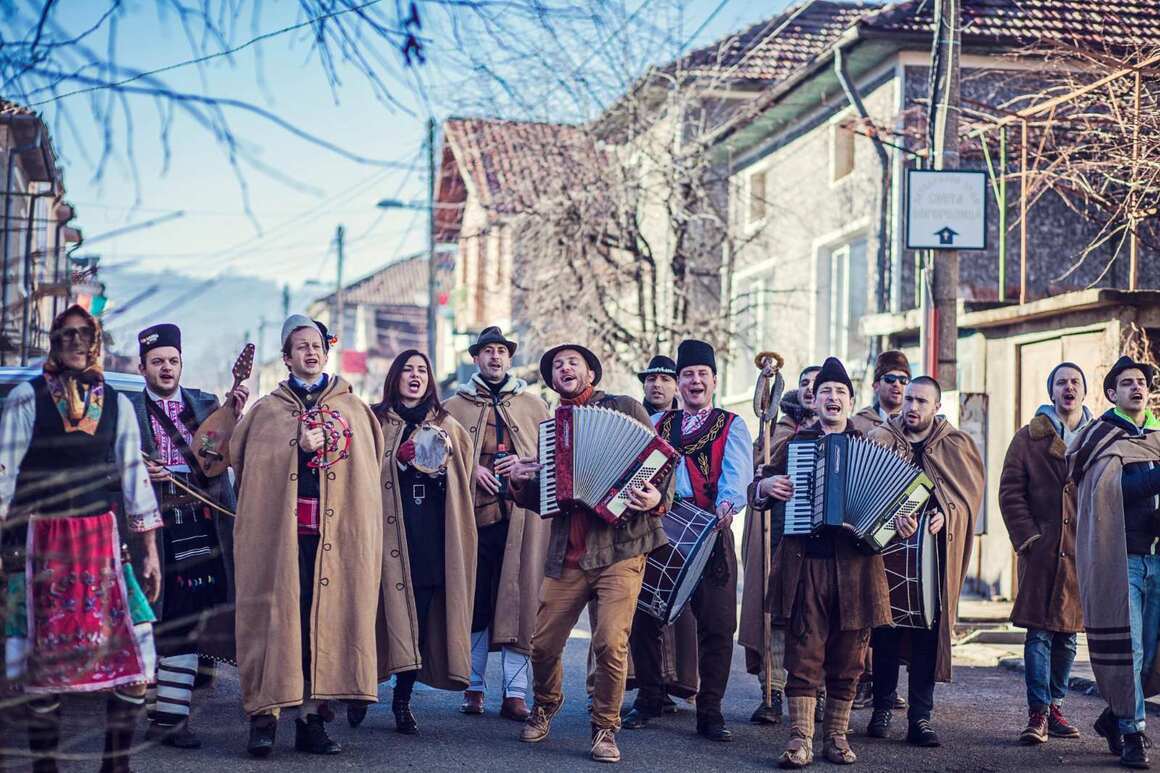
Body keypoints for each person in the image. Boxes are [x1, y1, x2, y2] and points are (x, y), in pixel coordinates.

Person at [0, 304, 163, 773]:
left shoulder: (115, 403)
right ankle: (45, 766)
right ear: (54, 342)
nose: (75, 342)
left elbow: (135, 479)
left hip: (102, 545)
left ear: (96, 343)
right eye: (65, 334)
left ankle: (116, 764)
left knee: (139, 644)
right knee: (38, 663)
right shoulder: (27, 400)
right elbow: (4, 477)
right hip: (41, 546)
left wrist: (149, 550)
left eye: (83, 334)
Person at [230, 314, 397, 757]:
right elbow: (245, 470)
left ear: (327, 351)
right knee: (274, 620)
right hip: (279, 542)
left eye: (317, 344)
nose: (310, 351)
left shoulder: (354, 410)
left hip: (334, 542)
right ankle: (263, 718)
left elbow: (368, 471)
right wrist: (295, 446)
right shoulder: (266, 412)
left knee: (321, 624)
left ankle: (311, 720)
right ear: (286, 358)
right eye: (300, 346)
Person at [508, 343, 670, 764]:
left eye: (572, 362)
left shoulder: (626, 407)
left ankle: (604, 728)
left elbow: (662, 465)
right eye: (557, 365)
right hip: (569, 553)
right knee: (541, 644)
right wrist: (524, 480)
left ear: (591, 373)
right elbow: (545, 498)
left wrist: (655, 498)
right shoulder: (551, 426)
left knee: (610, 643)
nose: (564, 368)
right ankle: (546, 704)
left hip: (621, 549)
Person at [752, 357, 890, 768]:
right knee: (804, 652)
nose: (832, 398)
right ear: (815, 401)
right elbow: (756, 491)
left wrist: (903, 521)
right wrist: (765, 484)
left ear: (850, 401)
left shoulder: (872, 444)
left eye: (840, 393)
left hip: (857, 568)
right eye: (826, 391)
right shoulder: (794, 445)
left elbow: (896, 506)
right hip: (806, 564)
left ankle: (836, 737)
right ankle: (800, 739)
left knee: (850, 657)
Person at [623, 340, 751, 742]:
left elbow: (736, 475)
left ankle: (710, 711)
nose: (695, 381)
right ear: (679, 383)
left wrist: (726, 506)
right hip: (660, 530)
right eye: (688, 375)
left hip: (711, 534)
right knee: (645, 617)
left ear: (714, 380)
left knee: (717, 624)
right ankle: (649, 696)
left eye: (702, 374)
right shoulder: (658, 423)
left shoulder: (733, 424)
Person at [128, 323, 243, 749]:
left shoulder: (207, 405)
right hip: (154, 531)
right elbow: (111, 464)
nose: (166, 368)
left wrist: (237, 415)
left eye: (172, 361)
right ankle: (164, 715)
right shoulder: (129, 412)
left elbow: (229, 453)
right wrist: (141, 471)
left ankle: (168, 717)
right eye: (157, 362)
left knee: (194, 617)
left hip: (205, 523)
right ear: (143, 368)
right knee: (162, 616)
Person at [864, 377, 984, 748]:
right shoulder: (881, 439)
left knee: (927, 637)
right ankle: (881, 708)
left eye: (921, 401)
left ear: (937, 407)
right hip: (887, 558)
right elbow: (864, 496)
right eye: (909, 400)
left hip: (932, 561)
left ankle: (920, 718)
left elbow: (968, 500)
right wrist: (889, 516)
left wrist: (948, 514)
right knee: (883, 633)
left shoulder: (955, 444)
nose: (912, 407)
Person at [444, 327, 548, 721]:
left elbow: (553, 458)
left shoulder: (533, 405)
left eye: (501, 351)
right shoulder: (455, 406)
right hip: (474, 520)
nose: (495, 357)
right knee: (476, 601)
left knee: (520, 601)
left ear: (509, 358)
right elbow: (439, 454)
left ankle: (515, 693)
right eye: (487, 351)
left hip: (522, 519)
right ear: (476, 358)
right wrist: (471, 471)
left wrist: (525, 465)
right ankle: (472, 686)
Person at [373, 349, 476, 734]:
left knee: (416, 620)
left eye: (422, 370)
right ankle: (358, 690)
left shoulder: (448, 424)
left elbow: (461, 480)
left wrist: (438, 469)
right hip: (384, 538)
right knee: (375, 615)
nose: (415, 376)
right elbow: (360, 474)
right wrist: (397, 462)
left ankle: (402, 701)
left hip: (429, 539)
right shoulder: (376, 420)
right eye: (407, 370)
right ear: (395, 377)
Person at [1068, 355, 1160, 769]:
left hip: (1159, 559)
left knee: (1153, 651)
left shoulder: (1158, 436)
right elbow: (1112, 493)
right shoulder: (1101, 437)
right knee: (1131, 650)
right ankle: (1133, 733)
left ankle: (1113, 717)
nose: (1137, 388)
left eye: (1141, 382)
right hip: (1121, 560)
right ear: (1112, 393)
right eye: (1127, 383)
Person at [999, 362, 1090, 745]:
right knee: (1039, 633)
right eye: (1061, 382)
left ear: (1085, 392)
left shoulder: (1097, 436)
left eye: (1075, 382)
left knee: (1068, 636)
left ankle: (1055, 706)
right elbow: (1010, 492)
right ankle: (1037, 713)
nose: (1068, 388)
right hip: (1042, 550)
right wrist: (1029, 539)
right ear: (1051, 391)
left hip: (1083, 551)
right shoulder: (1029, 437)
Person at [741, 363, 821, 726]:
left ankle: (815, 692)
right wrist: (764, 467)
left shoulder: (838, 432)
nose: (809, 388)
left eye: (816, 384)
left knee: (811, 615)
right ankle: (771, 690)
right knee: (774, 612)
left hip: (818, 539)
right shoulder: (778, 428)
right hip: (778, 533)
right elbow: (756, 469)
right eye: (804, 383)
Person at [848, 350, 910, 709]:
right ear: (876, 384)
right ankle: (859, 681)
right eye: (891, 379)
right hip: (864, 529)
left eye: (904, 379)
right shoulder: (860, 423)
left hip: (900, 531)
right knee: (862, 608)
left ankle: (885, 685)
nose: (898, 386)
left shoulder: (915, 423)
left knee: (892, 611)